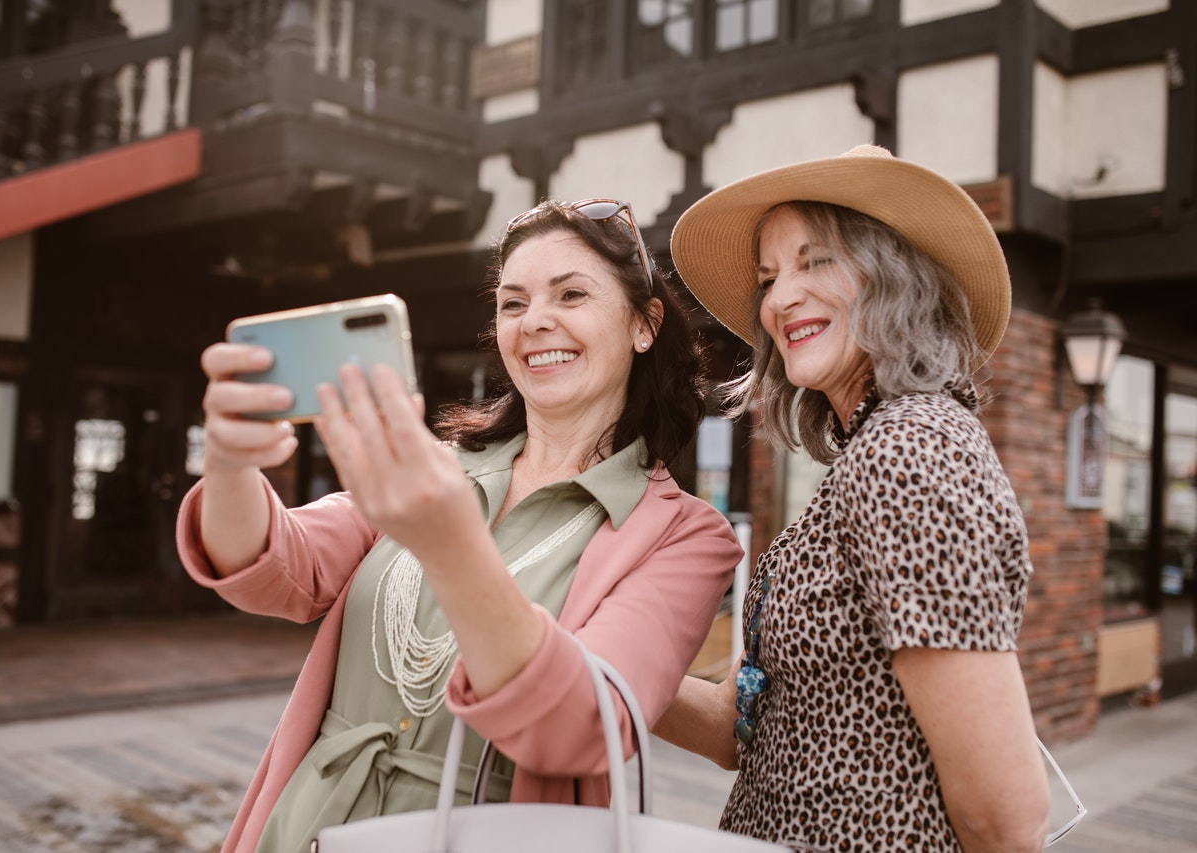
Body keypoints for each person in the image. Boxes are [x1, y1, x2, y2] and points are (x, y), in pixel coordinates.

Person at [176, 197, 743, 853]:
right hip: (305, 825)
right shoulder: (438, 468)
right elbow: (278, 568)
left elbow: (585, 725)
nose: (535, 322)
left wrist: (451, 547)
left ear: (644, 325)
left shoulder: (685, 537)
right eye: (513, 303)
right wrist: (227, 465)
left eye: (571, 294)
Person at [654, 145, 1052, 852]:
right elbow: (742, 727)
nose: (778, 300)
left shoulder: (909, 453)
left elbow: (1006, 819)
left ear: (895, 280)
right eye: (770, 277)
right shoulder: (871, 451)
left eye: (816, 262)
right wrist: (569, 649)